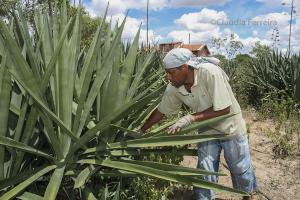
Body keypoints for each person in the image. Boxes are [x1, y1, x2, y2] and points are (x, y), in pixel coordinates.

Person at [140, 48, 257, 200]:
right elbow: (161, 111)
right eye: (166, 72)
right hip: (207, 128)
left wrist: (190, 118)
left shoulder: (210, 73)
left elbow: (224, 109)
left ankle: (247, 195)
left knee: (239, 167)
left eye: (171, 72)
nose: (168, 77)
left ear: (184, 67)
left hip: (230, 127)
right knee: (204, 170)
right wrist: (141, 130)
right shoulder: (174, 86)